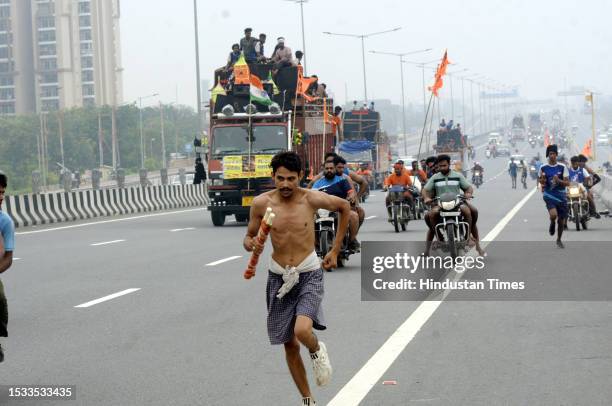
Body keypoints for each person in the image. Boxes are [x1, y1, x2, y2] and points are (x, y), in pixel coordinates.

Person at [244, 152, 349, 405]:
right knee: (289, 344)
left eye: (291, 178)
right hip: (279, 277)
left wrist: (334, 250)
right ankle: (308, 400)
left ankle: (315, 349)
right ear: (273, 177)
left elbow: (345, 208)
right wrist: (251, 244)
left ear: (300, 176)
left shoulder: (311, 199)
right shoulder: (261, 204)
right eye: (280, 178)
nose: (285, 184)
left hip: (308, 272)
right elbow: (249, 236)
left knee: (302, 331)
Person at [422, 155, 485, 256]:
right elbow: (425, 190)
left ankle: (469, 238)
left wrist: (468, 193)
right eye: (440, 166)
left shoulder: (458, 175)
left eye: (444, 165)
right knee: (430, 215)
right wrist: (426, 198)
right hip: (440, 204)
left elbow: (468, 187)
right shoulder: (434, 177)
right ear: (437, 166)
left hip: (458, 202)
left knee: (471, 211)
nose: (443, 168)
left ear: (449, 164)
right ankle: (437, 241)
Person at [312, 159, 361, 252]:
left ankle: (351, 242)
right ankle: (316, 243)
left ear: (335, 169)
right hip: (323, 210)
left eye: (331, 168)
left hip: (340, 209)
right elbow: (313, 195)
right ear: (324, 170)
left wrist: (351, 197)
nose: (329, 170)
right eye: (327, 168)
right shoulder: (318, 183)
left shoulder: (342, 181)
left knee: (354, 216)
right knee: (309, 218)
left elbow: (351, 193)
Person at [539, 145, 569, 248]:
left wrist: (558, 180)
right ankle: (552, 222)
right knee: (553, 215)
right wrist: (542, 180)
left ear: (556, 155)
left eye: (554, 154)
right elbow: (541, 181)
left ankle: (559, 240)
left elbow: (567, 183)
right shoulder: (543, 167)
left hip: (561, 196)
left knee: (561, 221)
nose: (552, 156)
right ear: (548, 155)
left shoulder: (562, 167)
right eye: (550, 154)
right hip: (549, 195)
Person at [0, 170, 15, 363]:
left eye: (2, 192)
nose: (1, 197)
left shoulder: (5, 221)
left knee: (0, 298)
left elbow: (9, 257)